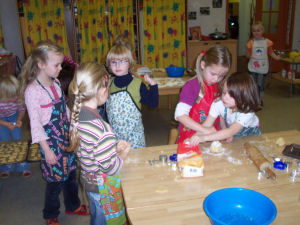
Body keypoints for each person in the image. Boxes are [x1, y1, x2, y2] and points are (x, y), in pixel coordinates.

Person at [21, 40, 89, 225]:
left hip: (65, 136)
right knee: (55, 180)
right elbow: (35, 125)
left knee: (71, 173)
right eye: (57, 65)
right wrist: (47, 151)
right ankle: (50, 214)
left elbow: (63, 109)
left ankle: (73, 205)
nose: (60, 68)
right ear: (41, 65)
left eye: (60, 64)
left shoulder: (56, 83)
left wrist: (74, 125)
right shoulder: (32, 91)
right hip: (49, 141)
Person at [68, 62, 131, 225]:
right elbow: (111, 168)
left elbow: (88, 149)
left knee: (97, 215)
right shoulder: (103, 130)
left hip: (89, 181)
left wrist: (111, 150)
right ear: (103, 90)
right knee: (103, 219)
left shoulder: (76, 115)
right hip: (102, 188)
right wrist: (121, 155)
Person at [175, 45, 232, 144]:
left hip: (212, 134)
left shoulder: (219, 85)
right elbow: (180, 115)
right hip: (191, 136)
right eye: (213, 74)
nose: (216, 79)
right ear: (203, 65)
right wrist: (204, 129)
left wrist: (224, 128)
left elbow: (220, 109)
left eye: (221, 76)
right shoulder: (191, 86)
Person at [105, 44, 159, 149]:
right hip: (115, 138)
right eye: (113, 62)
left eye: (122, 61)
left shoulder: (137, 84)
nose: (117, 66)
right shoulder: (108, 84)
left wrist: (153, 86)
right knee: (119, 163)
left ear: (129, 63)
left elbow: (153, 103)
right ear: (109, 65)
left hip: (135, 138)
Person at [188, 72, 261, 146]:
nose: (225, 97)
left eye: (231, 95)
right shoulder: (219, 103)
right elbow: (206, 125)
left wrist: (204, 138)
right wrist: (194, 137)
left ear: (244, 97)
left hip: (251, 136)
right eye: (224, 92)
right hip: (232, 131)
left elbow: (230, 131)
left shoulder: (247, 112)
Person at [0, 74, 31, 178]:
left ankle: (22, 165)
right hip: (1, 120)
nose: (16, 98)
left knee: (18, 139)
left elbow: (22, 109)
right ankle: (6, 166)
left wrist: (18, 119)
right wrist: (5, 124)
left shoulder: (18, 97)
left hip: (14, 116)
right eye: (12, 97)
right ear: (3, 95)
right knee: (4, 141)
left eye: (16, 95)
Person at [246, 21, 281, 107]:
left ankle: (259, 100)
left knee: (260, 85)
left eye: (258, 30)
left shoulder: (267, 42)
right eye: (254, 30)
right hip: (253, 67)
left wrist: (276, 57)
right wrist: (249, 55)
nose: (256, 32)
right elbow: (248, 54)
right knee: (252, 85)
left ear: (263, 31)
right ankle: (252, 100)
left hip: (262, 67)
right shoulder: (251, 42)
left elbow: (271, 52)